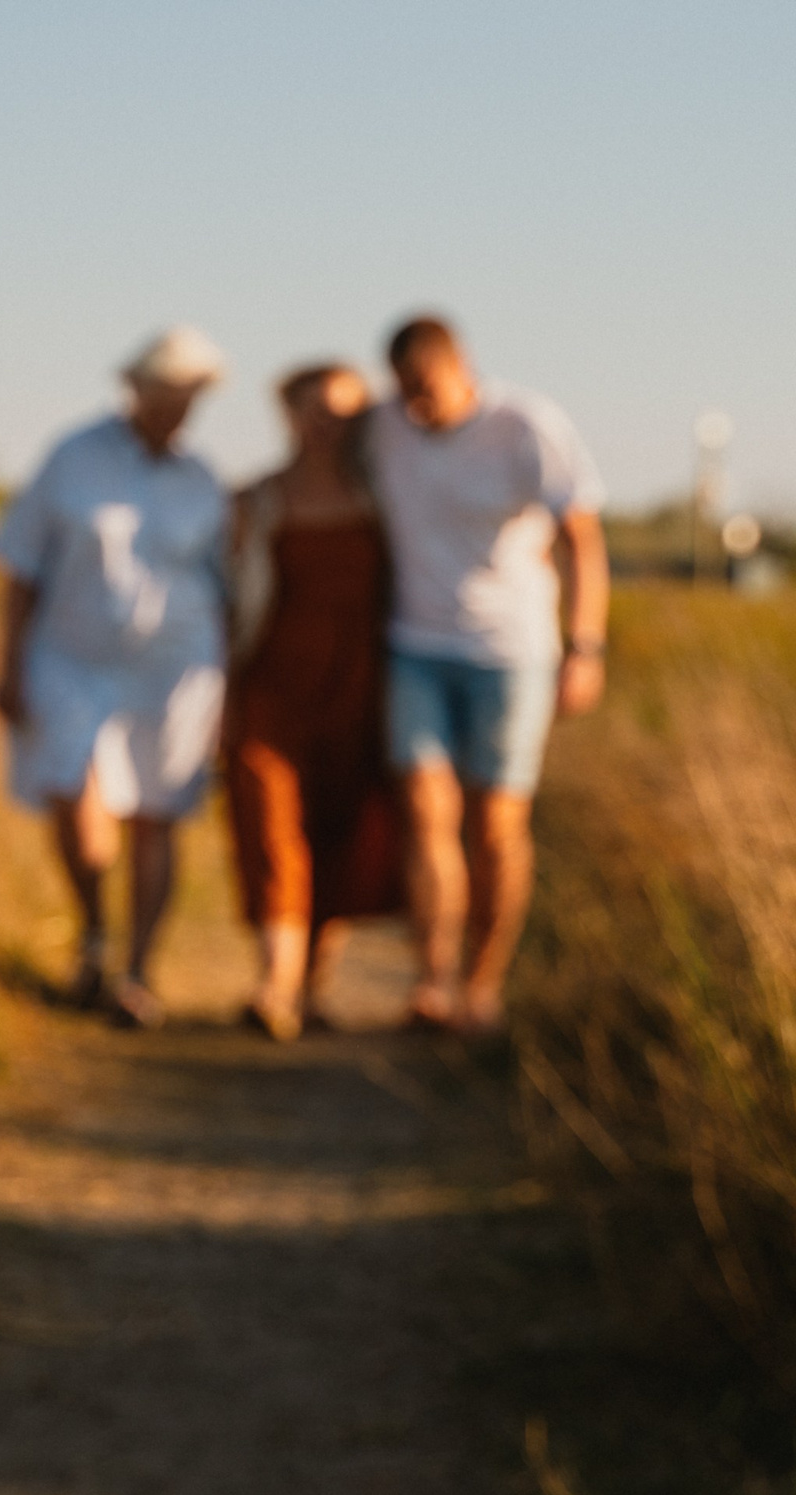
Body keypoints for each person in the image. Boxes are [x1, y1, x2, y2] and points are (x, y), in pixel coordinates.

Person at [366, 314, 608, 1032]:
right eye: (405, 393)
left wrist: (584, 647)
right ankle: (432, 979)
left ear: (460, 366)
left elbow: (582, 540)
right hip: (415, 646)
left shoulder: (527, 425)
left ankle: (483, 983)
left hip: (512, 651)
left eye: (428, 389)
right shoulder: (386, 426)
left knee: (497, 824)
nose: (419, 407)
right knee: (425, 810)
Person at [0, 325, 229, 1026]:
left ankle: (137, 970)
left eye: (189, 396)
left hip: (176, 668)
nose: (176, 406)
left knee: (157, 815)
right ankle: (94, 933)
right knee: (78, 792)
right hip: (71, 657)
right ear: (136, 388)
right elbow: (20, 565)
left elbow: (228, 583)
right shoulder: (74, 458)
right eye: (166, 391)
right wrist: (7, 664)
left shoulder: (202, 480)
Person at [221, 363, 403, 1039]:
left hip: (358, 686)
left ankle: (313, 984)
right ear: (288, 413)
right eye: (315, 409)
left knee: (339, 827)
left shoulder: (383, 500)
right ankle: (273, 981)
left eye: (344, 413)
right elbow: (228, 602)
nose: (328, 425)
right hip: (272, 682)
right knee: (267, 822)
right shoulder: (256, 500)